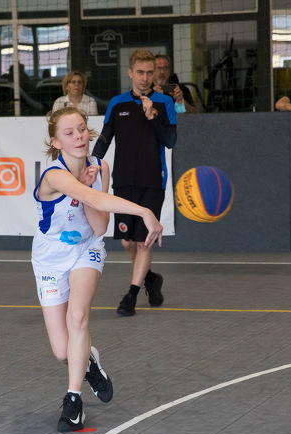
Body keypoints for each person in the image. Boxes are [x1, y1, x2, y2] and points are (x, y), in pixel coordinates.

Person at [32, 106, 163, 432]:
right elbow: (97, 201)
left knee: (78, 316)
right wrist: (144, 211)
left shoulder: (100, 166)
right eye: (69, 133)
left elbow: (101, 226)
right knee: (62, 351)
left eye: (81, 129)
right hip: (50, 257)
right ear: (56, 142)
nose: (78, 137)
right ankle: (89, 361)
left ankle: (73, 402)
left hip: (86, 250)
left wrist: (92, 193)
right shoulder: (54, 176)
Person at [92, 49, 177, 317]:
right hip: (124, 181)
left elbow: (170, 141)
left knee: (143, 242)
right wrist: (91, 164)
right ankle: (150, 278)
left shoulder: (164, 102)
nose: (145, 77)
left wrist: (152, 116)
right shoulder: (116, 103)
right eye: (140, 72)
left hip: (153, 181)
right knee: (128, 242)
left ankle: (131, 295)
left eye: (150, 72)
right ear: (130, 72)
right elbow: (105, 139)